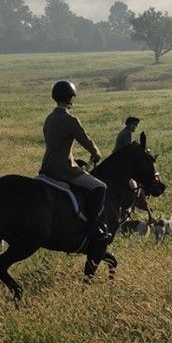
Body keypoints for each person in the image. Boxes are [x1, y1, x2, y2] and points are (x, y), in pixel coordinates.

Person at [40, 80, 110, 241]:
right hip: (64, 169)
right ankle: (92, 226)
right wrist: (96, 154)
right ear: (70, 98)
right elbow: (87, 141)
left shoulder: (49, 118)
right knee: (100, 187)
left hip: (46, 167)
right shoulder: (71, 120)